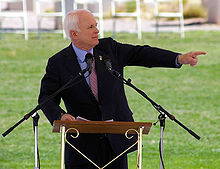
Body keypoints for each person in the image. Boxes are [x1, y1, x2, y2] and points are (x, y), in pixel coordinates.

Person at [38, 9, 206, 169]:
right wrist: (60, 115)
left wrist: (178, 58)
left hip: (116, 142)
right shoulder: (58, 62)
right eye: (91, 27)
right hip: (81, 145)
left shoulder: (110, 48)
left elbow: (142, 54)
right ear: (74, 34)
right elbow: (46, 97)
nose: (97, 30)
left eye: (96, 25)